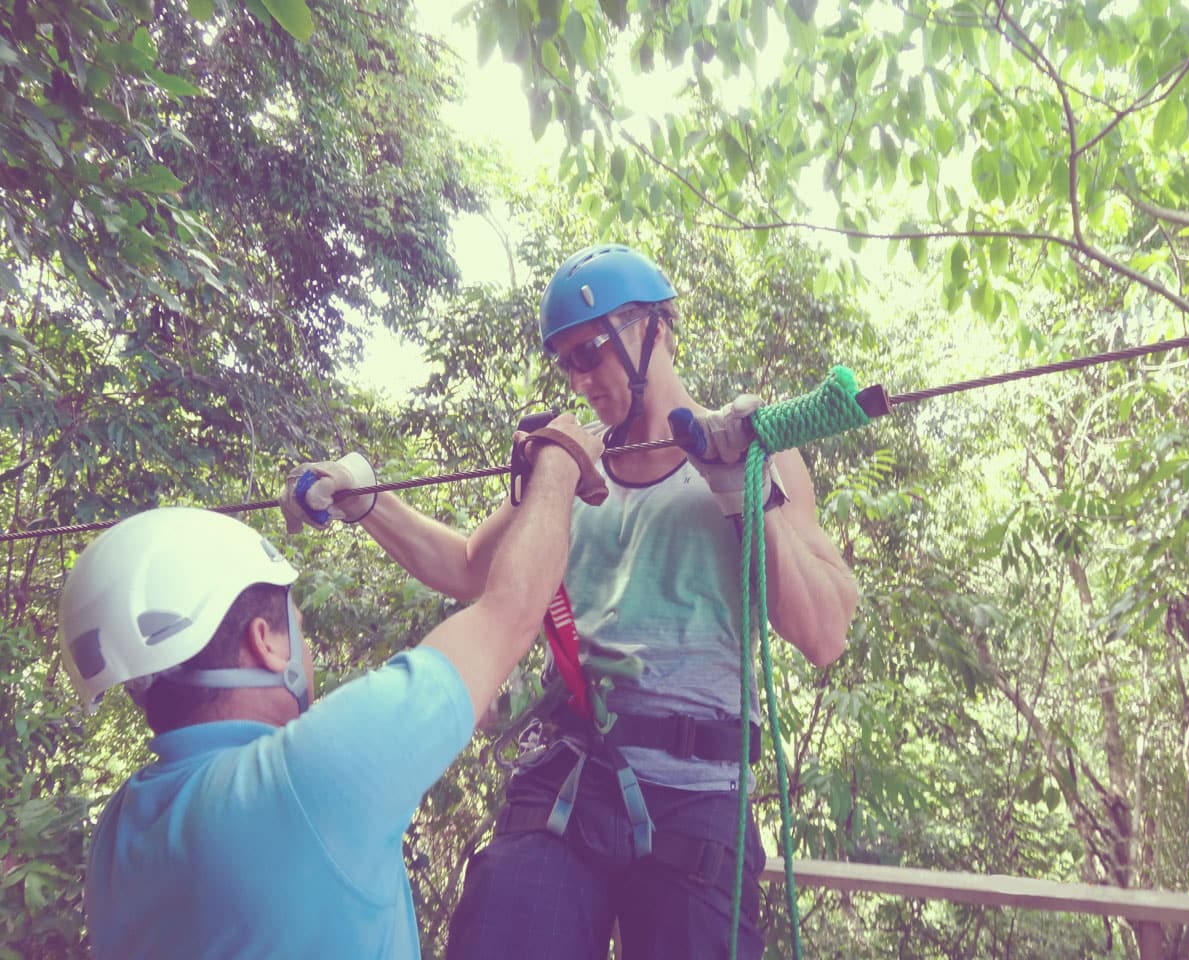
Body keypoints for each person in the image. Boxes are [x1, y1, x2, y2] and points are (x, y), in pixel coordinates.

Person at [296, 243, 859, 959]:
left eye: (591, 352)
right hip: (569, 775)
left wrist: (745, 492)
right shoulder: (570, 462)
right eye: (564, 361)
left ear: (655, 327)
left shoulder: (760, 454)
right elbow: (470, 566)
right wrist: (365, 502)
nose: (579, 377)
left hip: (698, 794)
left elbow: (824, 633)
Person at [57, 414, 603, 960]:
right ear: (265, 641)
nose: (308, 643)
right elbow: (509, 611)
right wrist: (558, 464)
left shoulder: (122, 827)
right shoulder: (306, 779)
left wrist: (368, 502)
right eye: (299, 621)